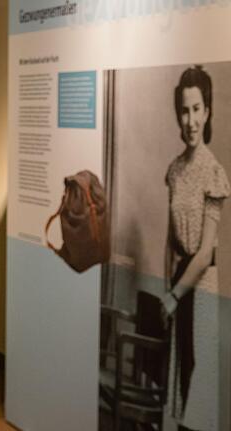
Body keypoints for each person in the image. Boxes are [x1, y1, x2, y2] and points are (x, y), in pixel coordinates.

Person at [160, 66, 229, 431]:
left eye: (197, 109)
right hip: (176, 283)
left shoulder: (213, 171)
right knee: (177, 382)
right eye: (184, 111)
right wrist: (165, 290)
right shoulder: (174, 170)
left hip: (200, 289)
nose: (191, 120)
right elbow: (170, 240)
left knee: (198, 385)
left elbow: (203, 254)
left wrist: (175, 294)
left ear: (208, 111)